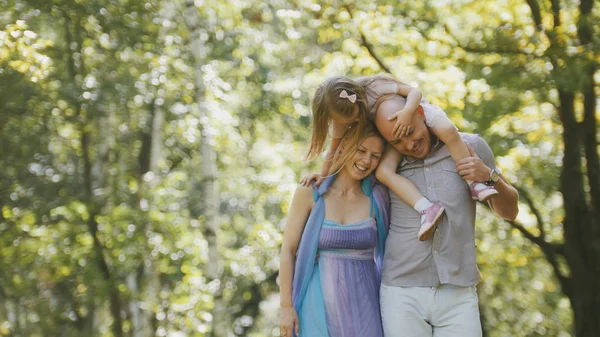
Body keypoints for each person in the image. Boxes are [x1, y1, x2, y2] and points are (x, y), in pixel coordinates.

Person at [372, 95, 519, 337]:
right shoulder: (385, 164)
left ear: (420, 114)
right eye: (397, 141)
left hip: (458, 292)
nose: (408, 144)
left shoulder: (470, 146)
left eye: (410, 132)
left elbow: (509, 212)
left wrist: (490, 176)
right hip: (401, 292)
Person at [303, 74, 498, 242]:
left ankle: (474, 183)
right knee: (383, 172)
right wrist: (324, 177)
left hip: (414, 113)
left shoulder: (374, 88)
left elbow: (414, 92)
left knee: (447, 131)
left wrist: (408, 112)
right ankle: (426, 208)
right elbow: (333, 150)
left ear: (358, 100)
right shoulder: (339, 117)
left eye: (355, 117)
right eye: (349, 123)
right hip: (394, 134)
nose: (354, 123)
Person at [279, 124, 390, 337]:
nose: (367, 161)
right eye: (361, 150)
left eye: (375, 156)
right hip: (317, 303)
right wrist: (286, 307)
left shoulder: (378, 198)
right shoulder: (311, 192)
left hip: (366, 307)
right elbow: (288, 250)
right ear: (344, 146)